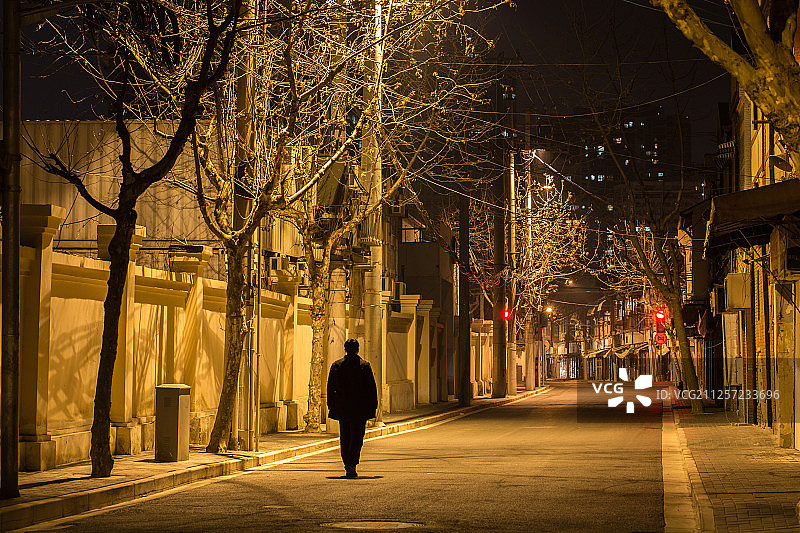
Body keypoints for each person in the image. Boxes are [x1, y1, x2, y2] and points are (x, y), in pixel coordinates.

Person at [326, 338, 378, 478]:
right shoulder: (364, 366)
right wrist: (373, 407)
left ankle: (348, 463)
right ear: (357, 349)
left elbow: (330, 388)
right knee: (357, 437)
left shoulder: (337, 366)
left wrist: (332, 406)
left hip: (343, 408)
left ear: (345, 349)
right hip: (359, 409)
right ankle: (351, 463)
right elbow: (371, 389)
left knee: (345, 436)